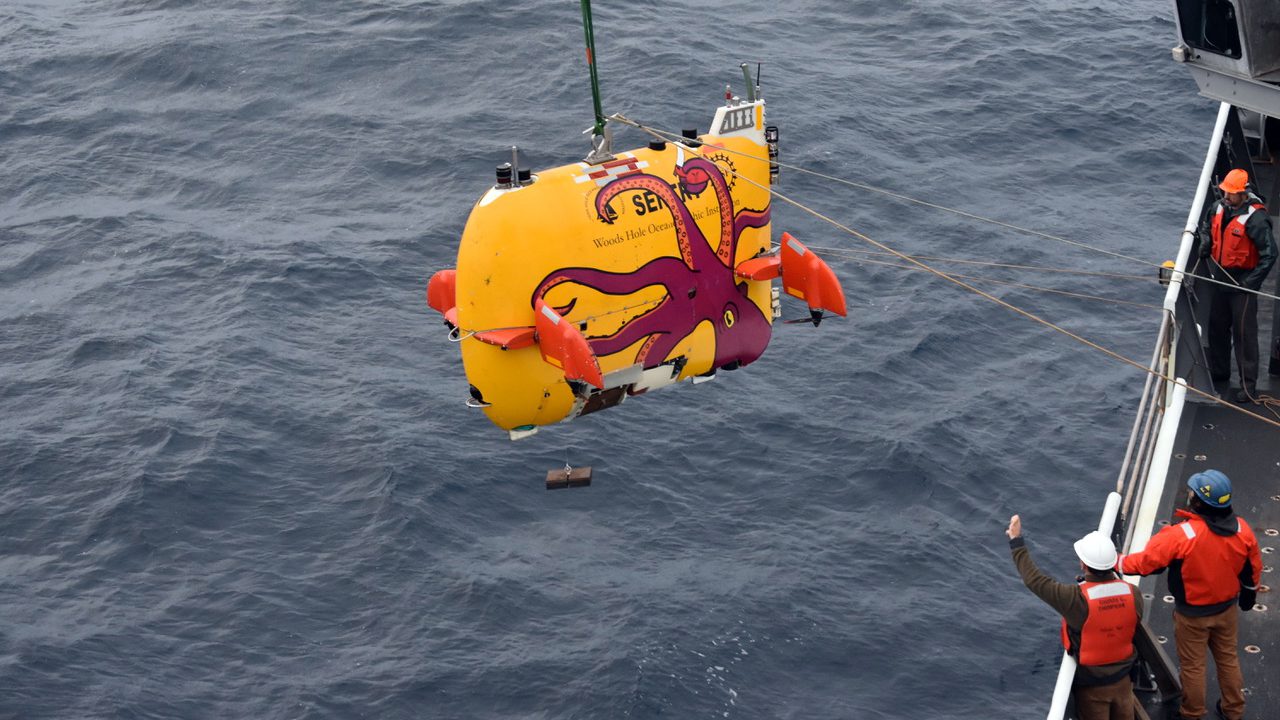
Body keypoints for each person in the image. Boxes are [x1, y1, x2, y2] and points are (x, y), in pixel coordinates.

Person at [1117, 470, 1262, 720]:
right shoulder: (1242, 530)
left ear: (1198, 502)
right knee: (1228, 659)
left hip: (1192, 615)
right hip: (1226, 609)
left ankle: (1192, 713)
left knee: (1194, 667)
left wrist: (1115, 562)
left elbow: (1145, 563)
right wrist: (1249, 596)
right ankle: (1233, 710)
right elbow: (1252, 568)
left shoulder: (1181, 536)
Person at [1006, 515, 1148, 720]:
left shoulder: (1076, 600)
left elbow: (1034, 580)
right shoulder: (1133, 593)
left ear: (1083, 564)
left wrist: (1016, 542)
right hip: (1124, 682)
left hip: (1093, 688)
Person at [1198, 168, 1277, 403]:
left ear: (1243, 194)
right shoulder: (1219, 207)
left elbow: (1270, 254)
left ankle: (1248, 386)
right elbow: (1206, 225)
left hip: (1242, 282)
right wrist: (1205, 242)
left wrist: (1250, 283)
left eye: (1231, 193)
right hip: (1220, 277)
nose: (1226, 196)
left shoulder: (1256, 219)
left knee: (1245, 336)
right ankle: (1220, 371)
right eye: (1225, 191)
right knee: (1217, 327)